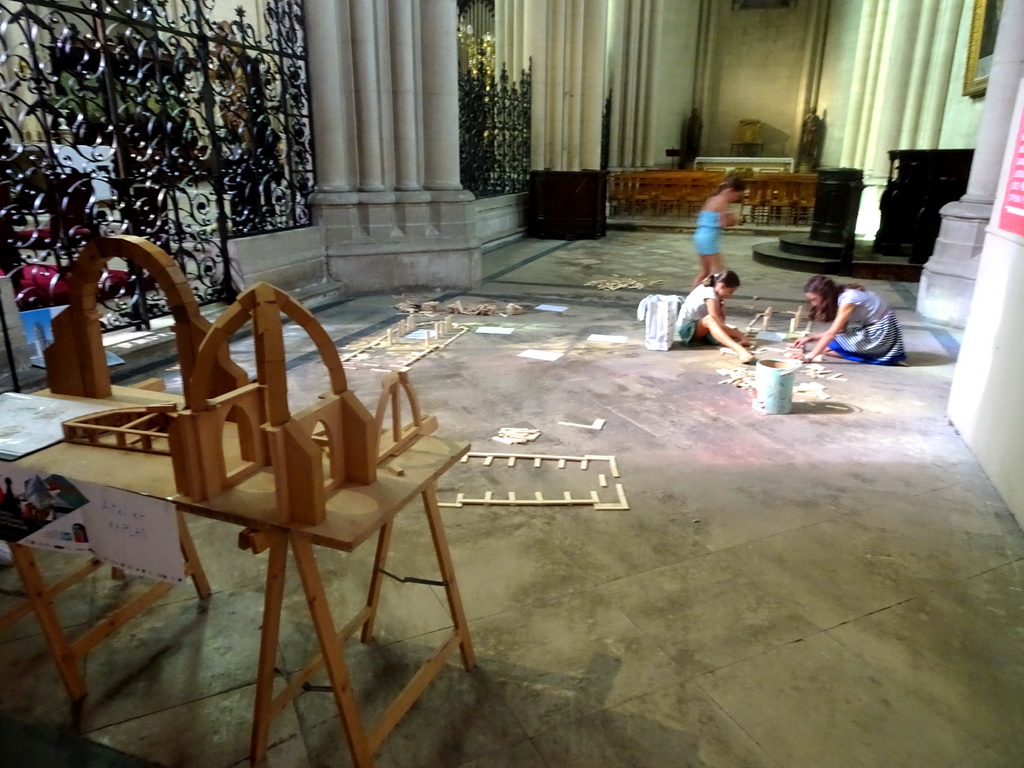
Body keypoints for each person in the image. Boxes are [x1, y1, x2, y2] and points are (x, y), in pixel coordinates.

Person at [787, 275, 906, 365]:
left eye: (814, 299)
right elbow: (841, 330)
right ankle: (873, 354)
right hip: (875, 328)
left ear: (825, 295)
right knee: (828, 347)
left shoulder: (848, 299)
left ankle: (877, 356)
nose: (813, 304)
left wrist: (808, 357)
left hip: (880, 335)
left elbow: (832, 333)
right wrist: (810, 338)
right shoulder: (842, 294)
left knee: (828, 349)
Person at [676, 270, 755, 363]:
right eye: (730, 292)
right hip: (687, 329)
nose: (731, 295)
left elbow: (722, 320)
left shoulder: (715, 293)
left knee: (730, 331)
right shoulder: (708, 293)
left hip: (700, 327)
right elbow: (716, 321)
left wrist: (721, 303)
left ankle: (736, 343)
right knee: (710, 320)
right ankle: (740, 351)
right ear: (722, 286)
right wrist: (740, 335)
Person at [692, 177, 745, 288]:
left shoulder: (711, 199)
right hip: (709, 237)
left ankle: (691, 297)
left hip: (700, 234)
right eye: (736, 196)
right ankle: (715, 298)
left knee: (705, 271)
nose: (735, 199)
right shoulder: (722, 201)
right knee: (720, 272)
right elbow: (722, 222)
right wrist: (736, 220)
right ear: (729, 191)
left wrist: (729, 216)